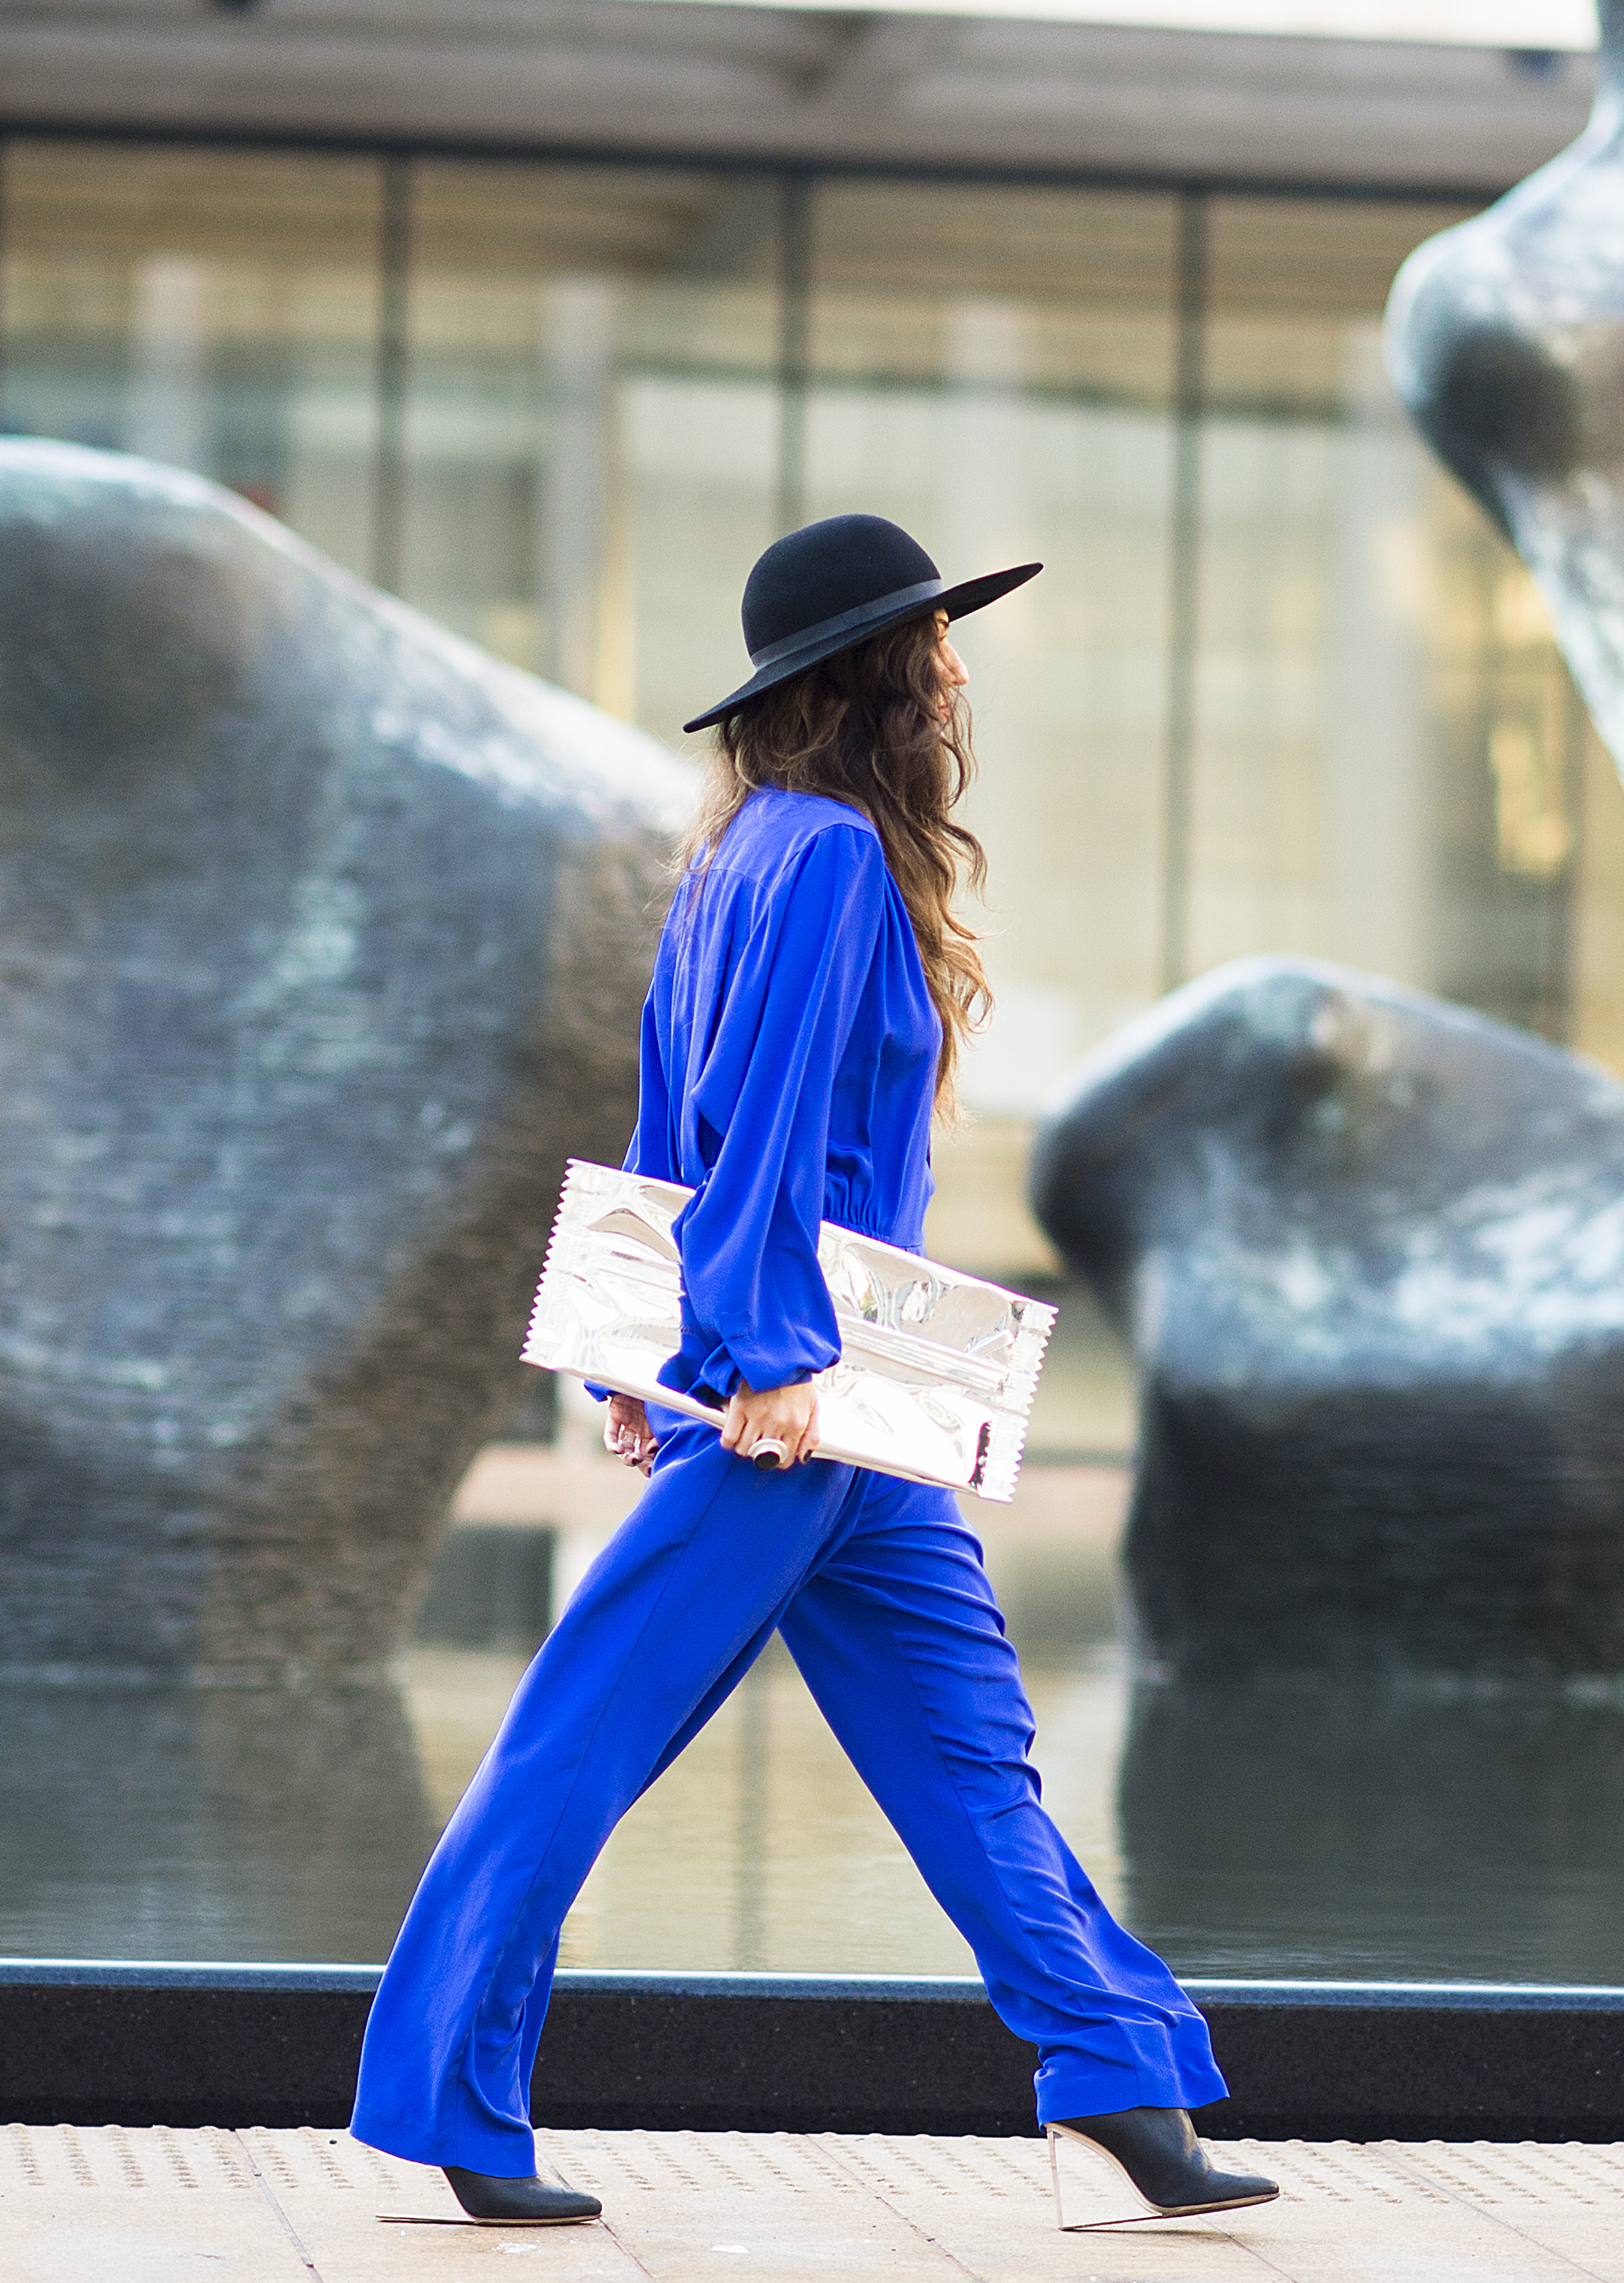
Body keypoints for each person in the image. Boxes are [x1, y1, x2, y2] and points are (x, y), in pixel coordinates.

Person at [347, 514, 1278, 2230]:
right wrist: (753, 1358)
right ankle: (443, 2108)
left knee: (969, 1749)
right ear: (870, 675)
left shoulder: (738, 854)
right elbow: (761, 1129)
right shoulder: (835, 859)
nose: (957, 671)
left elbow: (662, 1122)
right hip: (799, 1398)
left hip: (851, 1402)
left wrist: (643, 1350)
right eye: (935, 643)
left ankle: (1118, 2086)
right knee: (580, 1735)